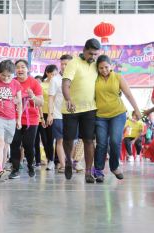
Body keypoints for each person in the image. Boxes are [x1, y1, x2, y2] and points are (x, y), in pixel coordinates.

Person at [94, 55, 141, 182]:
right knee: (101, 143)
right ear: (97, 68)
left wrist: (136, 109)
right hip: (100, 116)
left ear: (111, 66)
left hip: (117, 114)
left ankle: (114, 166)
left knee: (115, 141)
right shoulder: (94, 78)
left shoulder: (118, 77)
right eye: (101, 68)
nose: (104, 70)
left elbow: (128, 94)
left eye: (106, 67)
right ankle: (98, 171)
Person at [62, 38, 101, 183]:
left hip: (90, 109)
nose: (93, 57)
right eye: (91, 54)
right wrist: (68, 99)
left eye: (96, 54)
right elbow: (65, 84)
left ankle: (88, 172)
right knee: (68, 139)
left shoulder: (97, 64)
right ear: (84, 50)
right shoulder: (73, 63)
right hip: (71, 109)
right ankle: (67, 161)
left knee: (89, 140)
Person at [9, 59, 43, 179]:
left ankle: (30, 165)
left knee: (28, 145)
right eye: (17, 67)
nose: (20, 69)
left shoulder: (34, 83)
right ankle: (15, 169)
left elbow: (41, 102)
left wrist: (32, 96)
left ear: (28, 69)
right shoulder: (11, 82)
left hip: (31, 120)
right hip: (14, 119)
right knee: (14, 144)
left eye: (23, 67)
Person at [0, 60, 22, 181]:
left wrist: (18, 119)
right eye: (3, 75)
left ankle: (1, 168)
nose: (5, 78)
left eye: (9, 76)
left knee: (5, 145)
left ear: (13, 74)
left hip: (11, 118)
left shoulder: (16, 84)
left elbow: (19, 103)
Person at [46, 64, 66, 173]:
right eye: (62, 64)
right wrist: (50, 114)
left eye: (67, 64)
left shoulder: (76, 78)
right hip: (58, 115)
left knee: (71, 141)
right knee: (60, 140)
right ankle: (63, 165)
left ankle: (71, 162)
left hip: (72, 115)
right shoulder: (55, 80)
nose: (64, 66)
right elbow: (51, 98)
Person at [40, 65, 56, 171]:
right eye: (52, 74)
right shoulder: (41, 85)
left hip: (54, 114)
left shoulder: (58, 84)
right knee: (44, 139)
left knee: (52, 138)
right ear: (47, 73)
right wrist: (41, 117)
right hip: (43, 114)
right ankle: (49, 157)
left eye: (56, 74)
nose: (54, 76)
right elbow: (39, 103)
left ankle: (53, 160)